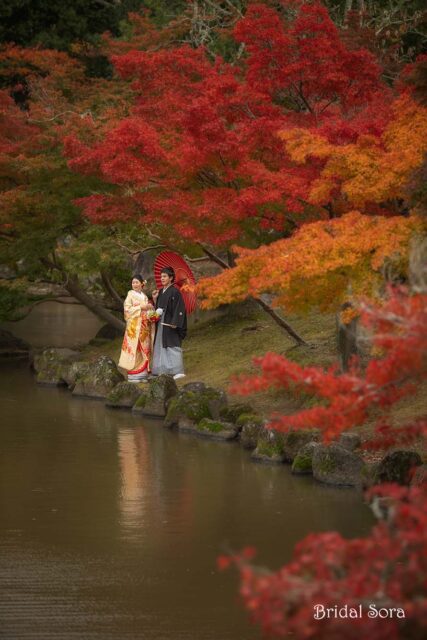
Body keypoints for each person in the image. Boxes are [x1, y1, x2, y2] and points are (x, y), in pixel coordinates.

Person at [151, 266, 187, 380]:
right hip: (162, 322)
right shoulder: (161, 291)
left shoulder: (175, 291)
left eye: (164, 276)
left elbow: (179, 308)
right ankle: (164, 370)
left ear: (171, 278)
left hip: (171, 322)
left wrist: (175, 321)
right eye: (161, 276)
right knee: (161, 345)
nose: (162, 278)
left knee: (172, 345)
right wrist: (155, 299)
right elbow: (159, 307)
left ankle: (178, 370)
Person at [118, 275, 154, 382]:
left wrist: (150, 311)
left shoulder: (144, 296)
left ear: (142, 283)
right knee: (134, 348)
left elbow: (147, 310)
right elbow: (127, 310)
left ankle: (143, 374)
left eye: (137, 282)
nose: (134, 284)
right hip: (134, 327)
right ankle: (133, 375)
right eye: (133, 282)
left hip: (144, 327)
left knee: (145, 348)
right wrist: (141, 307)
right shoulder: (130, 295)